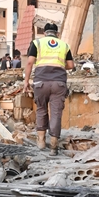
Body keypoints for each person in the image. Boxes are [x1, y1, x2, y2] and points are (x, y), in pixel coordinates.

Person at [23, 22, 74, 155]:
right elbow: (71, 65)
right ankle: (53, 145)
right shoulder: (64, 45)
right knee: (56, 113)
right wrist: (59, 66)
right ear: (57, 34)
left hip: (41, 82)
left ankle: (41, 141)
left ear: (44, 33)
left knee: (41, 110)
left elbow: (29, 62)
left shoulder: (37, 43)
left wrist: (26, 81)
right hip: (59, 83)